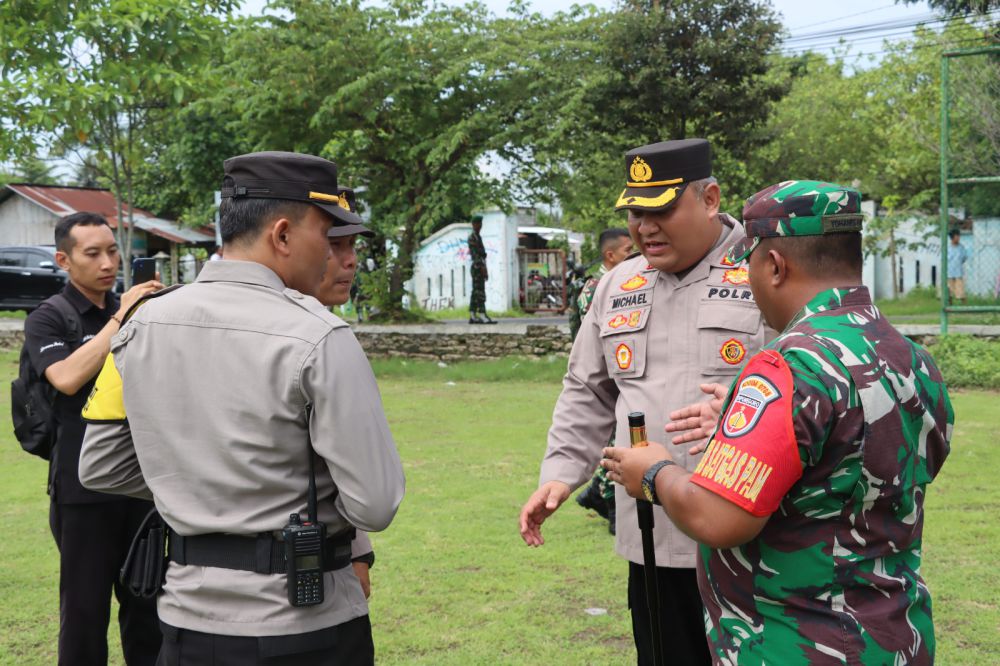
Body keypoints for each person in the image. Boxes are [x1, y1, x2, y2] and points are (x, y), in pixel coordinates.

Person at [602, 180, 953, 665]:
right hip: (895, 635)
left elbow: (718, 517)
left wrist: (655, 471)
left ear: (773, 265)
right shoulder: (910, 357)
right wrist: (744, 420)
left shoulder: (786, 368)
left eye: (749, 263)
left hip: (800, 644)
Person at [79, 151, 406, 665]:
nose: (335, 257)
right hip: (306, 625)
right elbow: (376, 503)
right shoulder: (321, 336)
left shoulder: (141, 325)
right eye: (327, 237)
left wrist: (203, 483)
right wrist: (274, 489)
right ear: (282, 235)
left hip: (188, 624)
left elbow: (101, 464)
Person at [519, 139, 772, 666]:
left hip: (749, 542)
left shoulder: (765, 270)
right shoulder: (618, 284)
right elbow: (587, 390)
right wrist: (561, 473)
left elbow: (810, 384)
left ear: (709, 198)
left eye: (661, 209)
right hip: (650, 538)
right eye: (635, 212)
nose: (645, 227)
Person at [21, 211, 163, 665]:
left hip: (140, 484)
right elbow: (65, 377)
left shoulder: (132, 310)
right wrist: (122, 318)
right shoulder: (49, 318)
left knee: (147, 607)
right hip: (82, 490)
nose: (108, 262)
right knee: (84, 613)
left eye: (113, 251)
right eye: (93, 253)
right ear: (64, 259)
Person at [311, 185, 378, 597]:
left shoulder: (329, 334)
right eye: (335, 245)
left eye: (352, 244)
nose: (350, 260)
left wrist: (357, 550)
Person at [573, 226, 634, 534]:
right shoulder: (597, 289)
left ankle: (597, 493)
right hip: (606, 378)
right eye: (628, 251)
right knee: (615, 443)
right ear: (610, 256)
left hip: (620, 376)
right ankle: (607, 501)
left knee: (616, 440)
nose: (634, 255)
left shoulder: (624, 284)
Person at [468, 214, 495, 324]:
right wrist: (482, 268)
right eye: (478, 224)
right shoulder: (472, 238)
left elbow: (483, 256)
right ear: (473, 225)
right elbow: (477, 256)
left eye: (480, 224)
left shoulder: (478, 237)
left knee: (476, 292)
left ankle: (473, 315)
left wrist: (485, 268)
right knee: (479, 292)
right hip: (477, 267)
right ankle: (482, 314)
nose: (480, 226)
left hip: (480, 267)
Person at [947, 228, 968, 304]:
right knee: (949, 291)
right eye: (957, 236)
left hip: (958, 272)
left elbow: (964, 258)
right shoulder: (947, 248)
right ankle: (949, 306)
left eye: (959, 236)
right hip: (949, 272)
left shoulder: (961, 247)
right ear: (952, 237)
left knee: (961, 291)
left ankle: (965, 307)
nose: (958, 238)